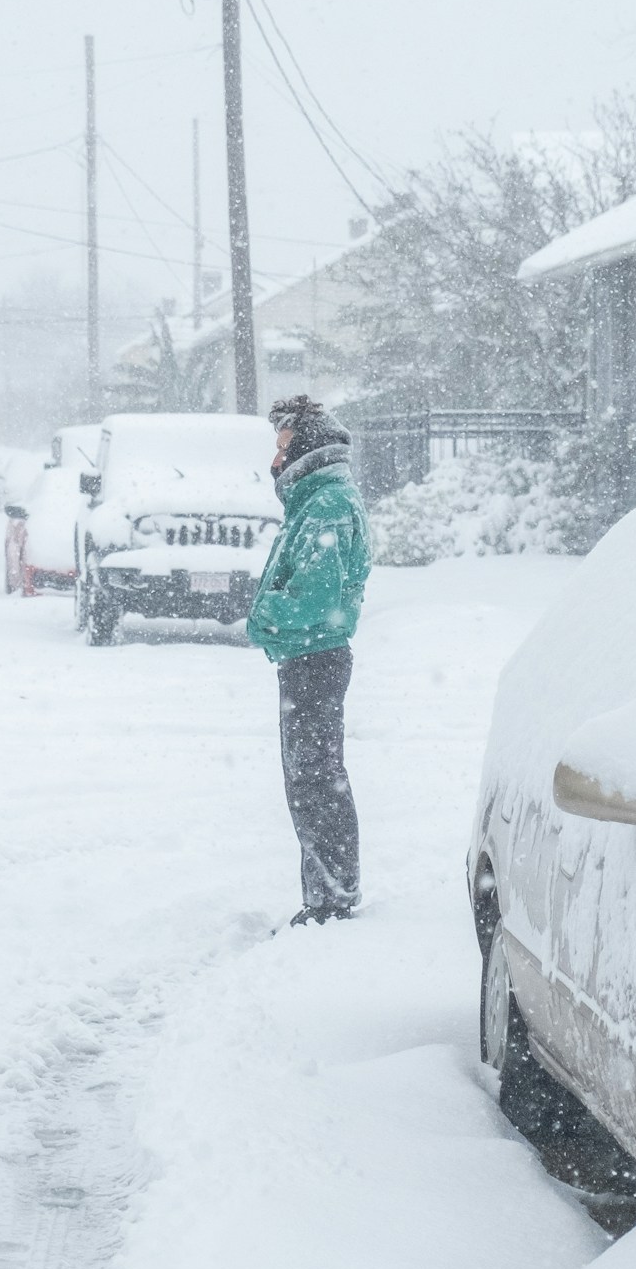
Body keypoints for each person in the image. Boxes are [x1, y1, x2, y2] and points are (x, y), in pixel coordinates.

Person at [247, 394, 370, 925]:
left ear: (309, 447)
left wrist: (260, 612)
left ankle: (330, 902)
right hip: (309, 658)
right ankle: (325, 896)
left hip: (315, 659)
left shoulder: (326, 505)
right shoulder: (317, 499)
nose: (275, 460)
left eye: (283, 447)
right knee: (312, 781)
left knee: (315, 783)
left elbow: (315, 599)